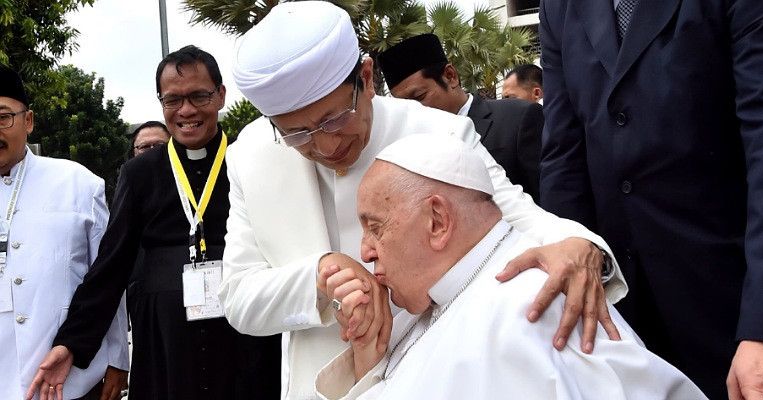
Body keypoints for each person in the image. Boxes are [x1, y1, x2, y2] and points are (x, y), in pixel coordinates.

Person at [224, 2, 627, 398]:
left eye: (334, 119)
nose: (326, 145)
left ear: (366, 77)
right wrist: (320, 276)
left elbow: (520, 217)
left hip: (442, 374)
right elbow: (239, 298)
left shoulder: (439, 131)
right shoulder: (251, 156)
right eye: (298, 134)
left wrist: (582, 246)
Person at [537, 0, 763, 398]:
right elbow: (562, 151)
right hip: (621, 320)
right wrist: (568, 251)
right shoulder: (558, 7)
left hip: (740, 303)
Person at [315, 133, 706, 400]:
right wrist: (369, 357)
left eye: (375, 228)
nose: (364, 253)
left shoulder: (530, 303)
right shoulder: (433, 302)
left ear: (437, 221)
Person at [26, 46, 281, 400]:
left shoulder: (247, 159)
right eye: (173, 100)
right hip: (164, 343)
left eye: (198, 96)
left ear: (220, 95)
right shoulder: (140, 172)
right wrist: (71, 343)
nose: (186, 111)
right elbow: (110, 266)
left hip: (244, 336)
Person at [0, 65, 129, 400]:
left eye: (3, 117)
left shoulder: (78, 183)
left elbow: (107, 277)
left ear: (28, 120)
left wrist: (118, 359)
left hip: (71, 378)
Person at [377, 34, 543, 200]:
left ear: (451, 76)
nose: (413, 109)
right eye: (403, 104)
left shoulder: (519, 117)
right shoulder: (410, 149)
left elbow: (550, 196)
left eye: (419, 96)